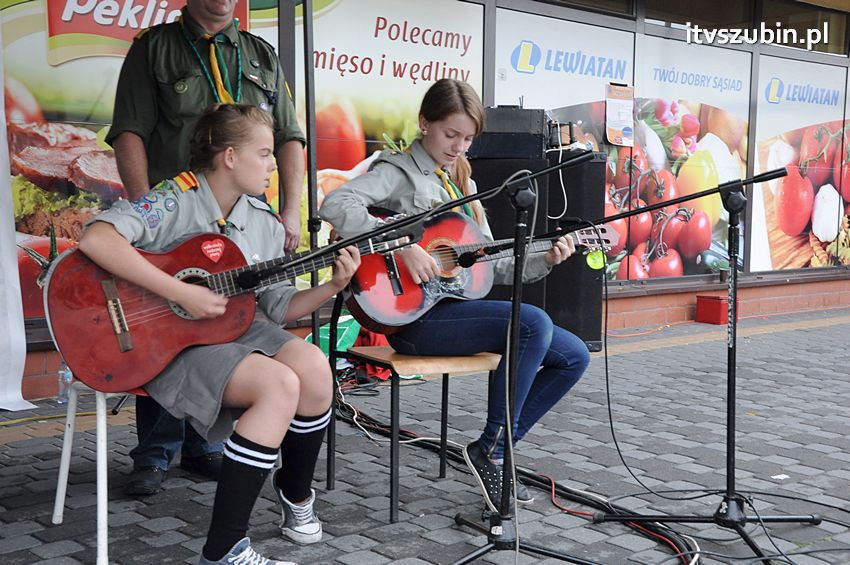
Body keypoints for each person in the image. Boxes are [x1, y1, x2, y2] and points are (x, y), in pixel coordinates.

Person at [80, 104, 356, 563]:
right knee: (279, 384)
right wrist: (178, 292)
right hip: (164, 341)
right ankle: (224, 548)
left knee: (313, 368)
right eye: (265, 154)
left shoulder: (263, 221)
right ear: (229, 156)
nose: (274, 165)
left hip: (240, 329)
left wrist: (332, 285)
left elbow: (279, 308)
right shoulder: (174, 198)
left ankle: (294, 493)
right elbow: (96, 239)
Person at [319, 79, 590, 512]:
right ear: (424, 124)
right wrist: (400, 246)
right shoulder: (398, 172)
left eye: (467, 139)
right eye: (451, 135)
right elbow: (335, 202)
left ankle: (494, 446)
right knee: (533, 322)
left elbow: (491, 265)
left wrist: (547, 259)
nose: (458, 147)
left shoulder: (463, 186)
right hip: (412, 320)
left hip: (455, 313)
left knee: (575, 355)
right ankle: (493, 453)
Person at [106, 0, 307, 494]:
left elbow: (289, 136)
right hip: (175, 221)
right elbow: (129, 131)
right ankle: (154, 455)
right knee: (165, 318)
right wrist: (144, 208)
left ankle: (206, 447)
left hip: (238, 222)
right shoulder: (154, 49)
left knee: (227, 312)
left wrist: (291, 209)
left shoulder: (261, 54)